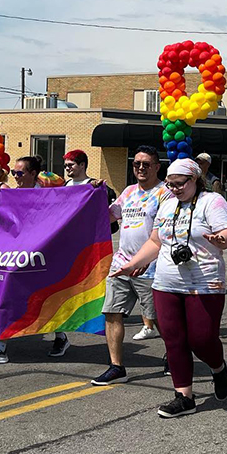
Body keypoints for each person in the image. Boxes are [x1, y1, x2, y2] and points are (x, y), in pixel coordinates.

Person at [114, 158, 227, 417]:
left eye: (180, 184)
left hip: (204, 281)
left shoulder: (211, 202)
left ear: (194, 180)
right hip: (166, 282)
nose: (175, 189)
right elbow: (155, 242)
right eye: (171, 184)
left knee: (201, 340)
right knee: (174, 340)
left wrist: (220, 240)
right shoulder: (167, 204)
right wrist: (131, 264)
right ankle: (184, 396)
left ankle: (217, 367)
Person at [0, 155, 71, 364]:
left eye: (21, 173)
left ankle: (61, 337)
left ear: (33, 174)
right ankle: (0, 348)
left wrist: (93, 186)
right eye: (14, 173)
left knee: (46, 299)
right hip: (15, 256)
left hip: (42, 255)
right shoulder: (11, 194)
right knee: (6, 294)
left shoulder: (49, 196)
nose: (16, 177)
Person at [91, 146, 169, 385]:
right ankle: (116, 367)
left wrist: (149, 260)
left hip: (151, 267)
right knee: (112, 312)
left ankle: (174, 355)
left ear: (157, 166)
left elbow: (167, 231)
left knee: (159, 318)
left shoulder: (165, 193)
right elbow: (108, 217)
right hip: (122, 264)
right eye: (137, 164)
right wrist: (96, 194)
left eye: (146, 164)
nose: (141, 168)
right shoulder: (128, 192)